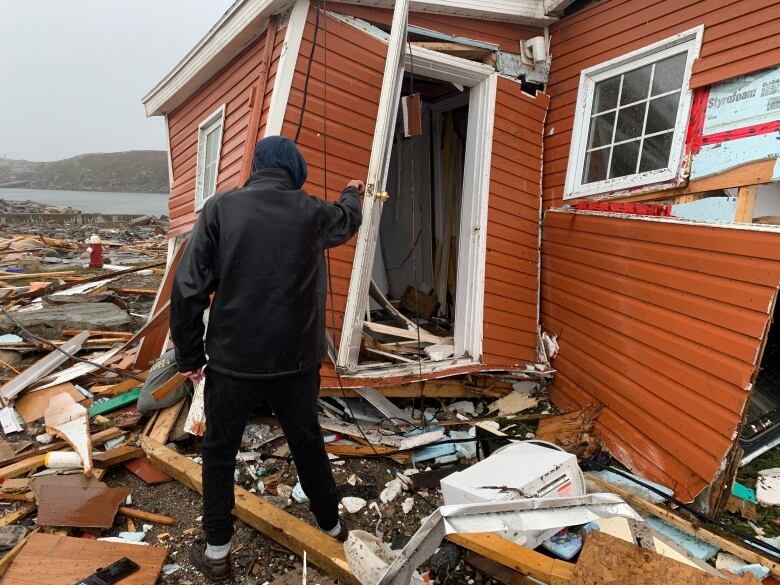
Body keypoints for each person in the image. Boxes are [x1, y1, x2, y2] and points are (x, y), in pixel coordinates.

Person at [170, 136, 363, 583]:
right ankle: (332, 526)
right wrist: (352, 192)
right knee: (307, 443)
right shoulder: (312, 211)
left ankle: (218, 552)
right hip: (296, 364)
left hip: (233, 362)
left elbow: (187, 290)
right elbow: (346, 220)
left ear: (256, 168)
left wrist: (190, 355)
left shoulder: (220, 208)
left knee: (219, 453)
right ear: (294, 170)